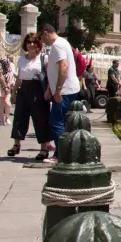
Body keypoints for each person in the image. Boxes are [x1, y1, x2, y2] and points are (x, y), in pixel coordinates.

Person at [39, 24, 81, 163]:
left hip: (64, 90)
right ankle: (64, 152)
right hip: (66, 89)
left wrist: (57, 90)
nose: (41, 41)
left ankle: (60, 155)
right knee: (61, 122)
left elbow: (63, 67)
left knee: (56, 122)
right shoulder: (62, 43)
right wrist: (50, 89)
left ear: (46, 33)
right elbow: (57, 70)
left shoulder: (57, 46)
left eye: (41, 37)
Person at [9, 33, 54, 158]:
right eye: (29, 42)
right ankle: (16, 144)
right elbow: (19, 77)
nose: (31, 44)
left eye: (34, 42)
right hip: (24, 89)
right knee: (19, 117)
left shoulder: (43, 58)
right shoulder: (22, 59)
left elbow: (50, 76)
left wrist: (48, 91)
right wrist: (13, 92)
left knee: (41, 119)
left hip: (38, 89)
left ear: (38, 44)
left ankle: (44, 148)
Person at [0, 56, 14, 126]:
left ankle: (7, 118)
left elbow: (12, 80)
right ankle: (1, 119)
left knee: (7, 102)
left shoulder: (10, 71)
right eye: (6, 64)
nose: (8, 65)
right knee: (1, 105)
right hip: (0, 89)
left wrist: (10, 85)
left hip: (8, 89)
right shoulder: (0, 72)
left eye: (8, 64)